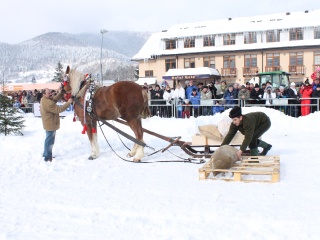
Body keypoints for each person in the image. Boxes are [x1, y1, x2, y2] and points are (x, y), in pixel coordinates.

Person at [40, 88, 73, 162]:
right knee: (50, 141)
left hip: (48, 123)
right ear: (44, 94)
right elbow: (59, 109)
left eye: (50, 92)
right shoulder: (47, 102)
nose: (50, 94)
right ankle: (47, 157)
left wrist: (61, 93)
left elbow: (53, 100)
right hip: (50, 123)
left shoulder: (45, 99)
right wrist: (68, 103)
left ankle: (46, 153)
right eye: (48, 93)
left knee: (48, 139)